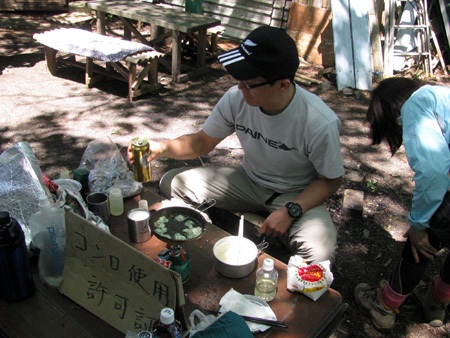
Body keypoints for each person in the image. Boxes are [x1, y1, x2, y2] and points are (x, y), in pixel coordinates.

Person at [128, 26, 345, 263]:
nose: (240, 88)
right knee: (173, 182)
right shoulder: (237, 98)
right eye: (239, 80)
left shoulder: (318, 122)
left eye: (250, 83)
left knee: (321, 254)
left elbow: (331, 180)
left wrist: (292, 210)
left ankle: (281, 230)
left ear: (282, 84)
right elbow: (202, 142)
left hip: (296, 193)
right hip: (248, 181)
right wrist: (162, 148)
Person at [354, 77, 450, 332]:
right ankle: (437, 300)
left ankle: (385, 307)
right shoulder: (442, 97)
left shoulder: (418, 104)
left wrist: (419, 225)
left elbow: (433, 173)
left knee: (420, 246)